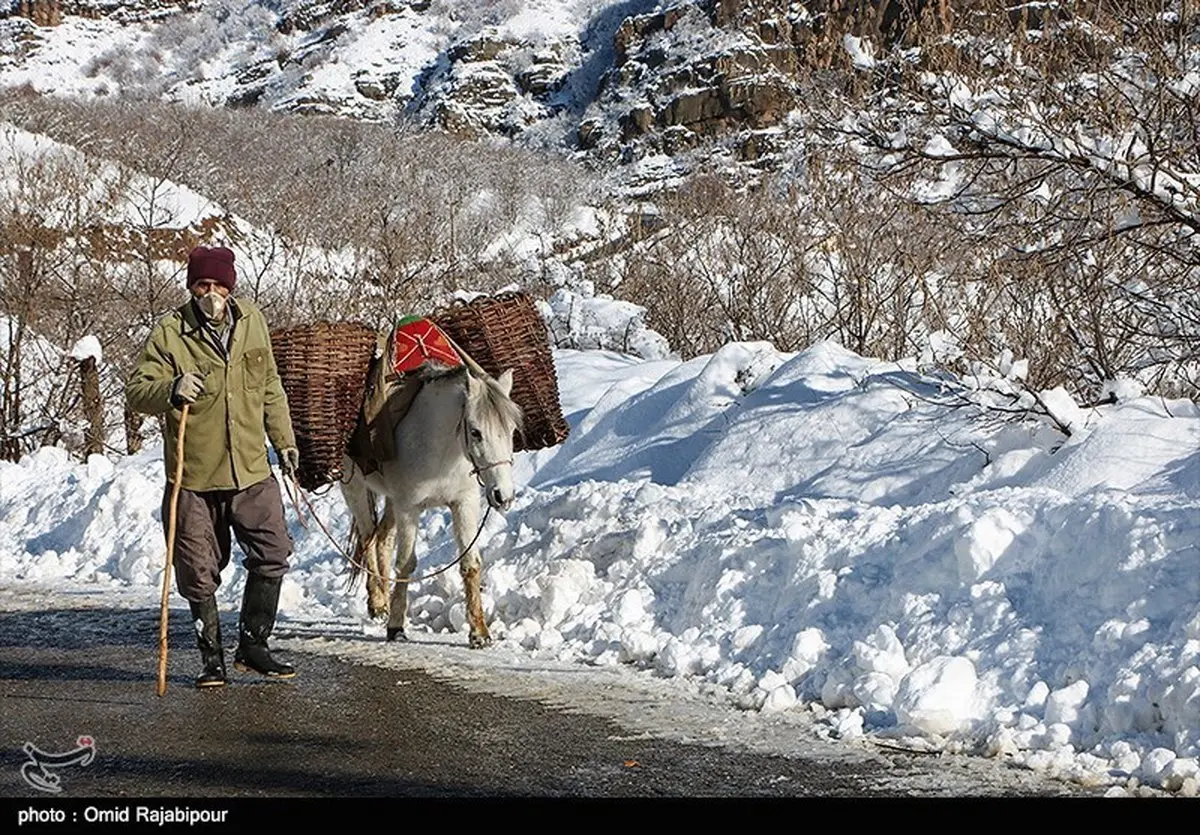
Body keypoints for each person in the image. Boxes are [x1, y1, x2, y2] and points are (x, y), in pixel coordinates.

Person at [126, 245, 300, 688]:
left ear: (230, 287)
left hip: (250, 468)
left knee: (273, 551)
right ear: (191, 288)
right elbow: (137, 391)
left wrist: (284, 440)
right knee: (198, 569)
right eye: (202, 285)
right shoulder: (171, 332)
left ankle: (253, 646)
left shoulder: (252, 320)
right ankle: (211, 660)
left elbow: (271, 385)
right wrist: (171, 388)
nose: (211, 294)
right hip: (195, 476)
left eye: (219, 285)